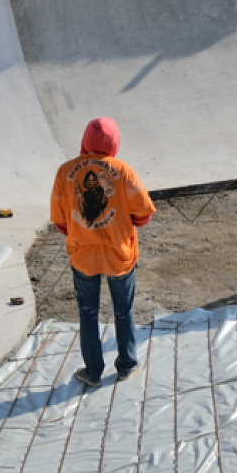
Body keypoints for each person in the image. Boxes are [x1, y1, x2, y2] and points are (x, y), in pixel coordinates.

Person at [51, 117, 157, 386]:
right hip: (119, 254)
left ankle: (93, 371)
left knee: (87, 313)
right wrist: (120, 222)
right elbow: (144, 214)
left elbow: (60, 221)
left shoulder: (65, 172)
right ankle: (126, 365)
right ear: (115, 142)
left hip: (83, 254)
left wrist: (81, 230)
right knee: (124, 310)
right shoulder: (123, 171)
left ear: (85, 140)